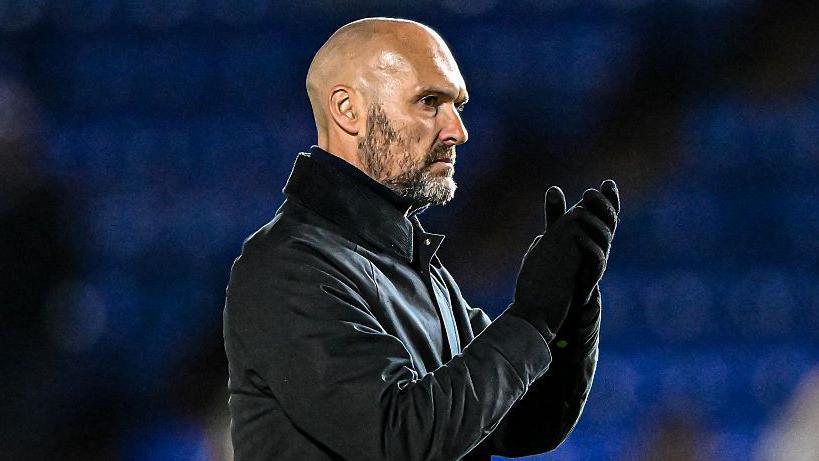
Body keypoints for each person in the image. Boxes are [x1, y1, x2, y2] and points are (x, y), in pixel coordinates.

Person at [222, 17, 620, 461]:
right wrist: (533, 317)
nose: (457, 131)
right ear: (348, 110)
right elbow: (399, 438)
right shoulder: (288, 268)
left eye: (458, 106)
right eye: (430, 102)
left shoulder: (411, 260)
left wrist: (569, 312)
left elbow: (521, 422)